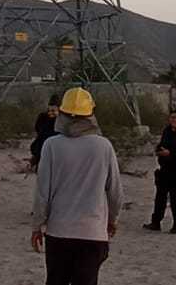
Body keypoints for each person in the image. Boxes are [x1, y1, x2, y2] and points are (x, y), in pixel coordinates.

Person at [31, 87, 123, 285]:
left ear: (62, 113)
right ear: (90, 114)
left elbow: (42, 192)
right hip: (93, 233)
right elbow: (115, 192)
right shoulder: (104, 146)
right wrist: (112, 220)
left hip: (59, 232)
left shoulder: (52, 145)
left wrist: (37, 226)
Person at [143, 109, 176, 234]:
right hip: (164, 170)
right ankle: (156, 222)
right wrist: (160, 151)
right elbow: (160, 146)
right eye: (172, 118)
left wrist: (170, 153)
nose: (174, 120)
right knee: (160, 198)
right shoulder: (167, 131)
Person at [31, 94, 62, 171]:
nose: (50, 113)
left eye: (53, 111)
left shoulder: (62, 122)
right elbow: (39, 132)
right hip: (42, 152)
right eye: (49, 110)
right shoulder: (43, 118)